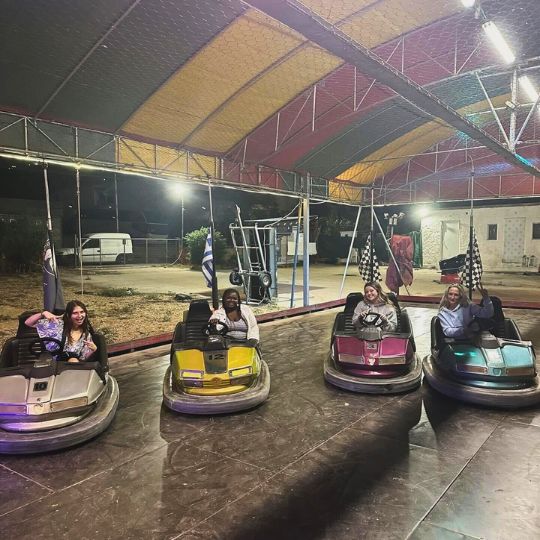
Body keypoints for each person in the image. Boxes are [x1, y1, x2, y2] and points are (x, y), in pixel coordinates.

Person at [25, 300, 97, 362]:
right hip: (53, 366)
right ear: (68, 315)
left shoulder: (86, 335)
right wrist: (43, 313)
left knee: (74, 361)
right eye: (75, 313)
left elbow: (83, 358)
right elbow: (28, 323)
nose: (80, 315)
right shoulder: (57, 324)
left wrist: (93, 350)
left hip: (73, 368)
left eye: (82, 312)